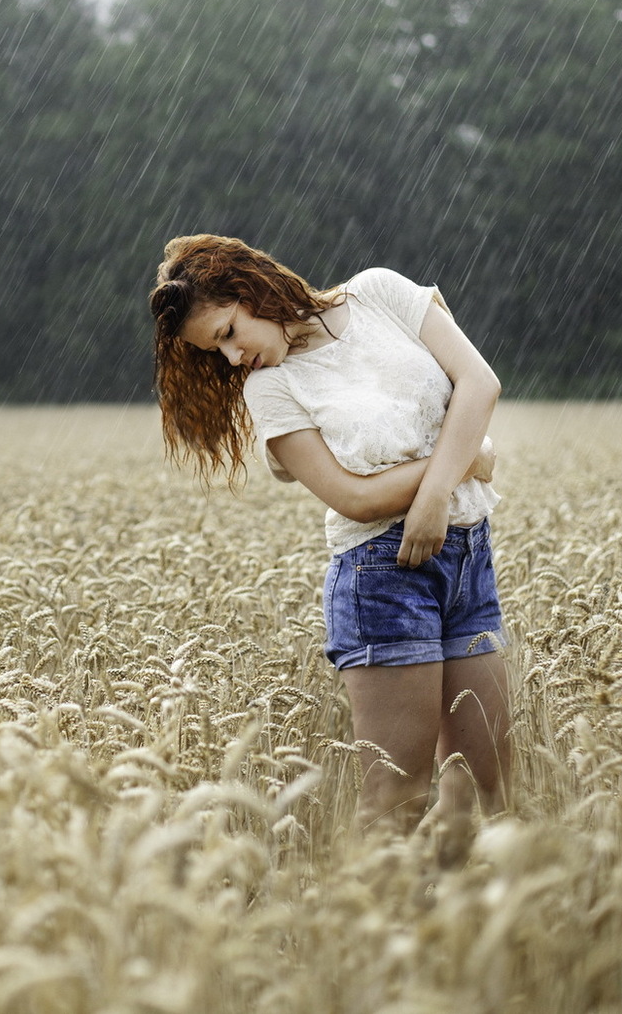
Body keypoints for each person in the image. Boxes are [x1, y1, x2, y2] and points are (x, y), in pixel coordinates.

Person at [149, 234, 510, 842]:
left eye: (229, 333)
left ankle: (470, 930)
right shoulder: (271, 388)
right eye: (218, 352)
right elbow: (355, 498)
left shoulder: (380, 293)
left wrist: (436, 496)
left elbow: (480, 383)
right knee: (398, 799)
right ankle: (377, 927)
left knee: (490, 788)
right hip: (382, 577)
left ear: (251, 289)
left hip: (469, 557)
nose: (234, 359)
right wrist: (465, 461)